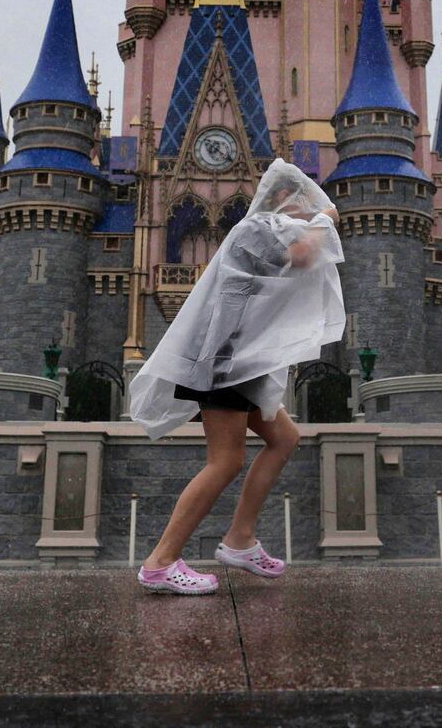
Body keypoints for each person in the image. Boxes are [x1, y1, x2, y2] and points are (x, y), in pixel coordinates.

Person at [128, 159, 344, 595]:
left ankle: (240, 539)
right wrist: (324, 219)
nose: (309, 212)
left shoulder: (268, 229)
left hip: (241, 361)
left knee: (285, 438)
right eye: (306, 204)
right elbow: (304, 257)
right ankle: (160, 562)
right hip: (224, 361)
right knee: (225, 461)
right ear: (285, 199)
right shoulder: (259, 227)